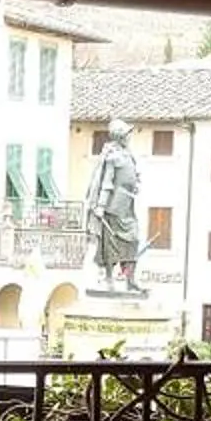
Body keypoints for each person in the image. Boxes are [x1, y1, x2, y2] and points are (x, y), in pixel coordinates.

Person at [85, 120, 144, 294]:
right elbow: (106, 183)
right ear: (120, 136)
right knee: (110, 245)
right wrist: (100, 206)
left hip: (128, 204)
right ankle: (109, 279)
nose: (129, 137)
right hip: (114, 206)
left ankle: (130, 279)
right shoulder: (112, 157)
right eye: (127, 134)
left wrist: (136, 184)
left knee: (133, 240)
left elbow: (132, 175)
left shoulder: (128, 155)